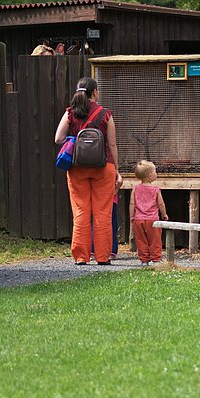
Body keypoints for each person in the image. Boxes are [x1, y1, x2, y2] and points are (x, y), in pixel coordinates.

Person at [54, 77, 121, 265]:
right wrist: (117, 169)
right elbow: (112, 144)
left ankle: (81, 257)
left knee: (81, 211)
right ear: (95, 92)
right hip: (103, 167)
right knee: (102, 213)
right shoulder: (105, 114)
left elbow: (58, 138)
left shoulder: (70, 113)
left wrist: (75, 140)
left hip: (77, 168)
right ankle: (102, 256)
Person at [130, 160, 168, 266]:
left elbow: (132, 204)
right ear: (150, 175)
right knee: (155, 240)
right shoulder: (156, 189)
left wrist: (132, 216)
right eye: (155, 171)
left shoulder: (135, 189)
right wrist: (164, 214)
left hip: (138, 219)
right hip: (153, 220)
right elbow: (161, 204)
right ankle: (156, 259)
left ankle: (144, 260)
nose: (157, 173)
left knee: (141, 240)